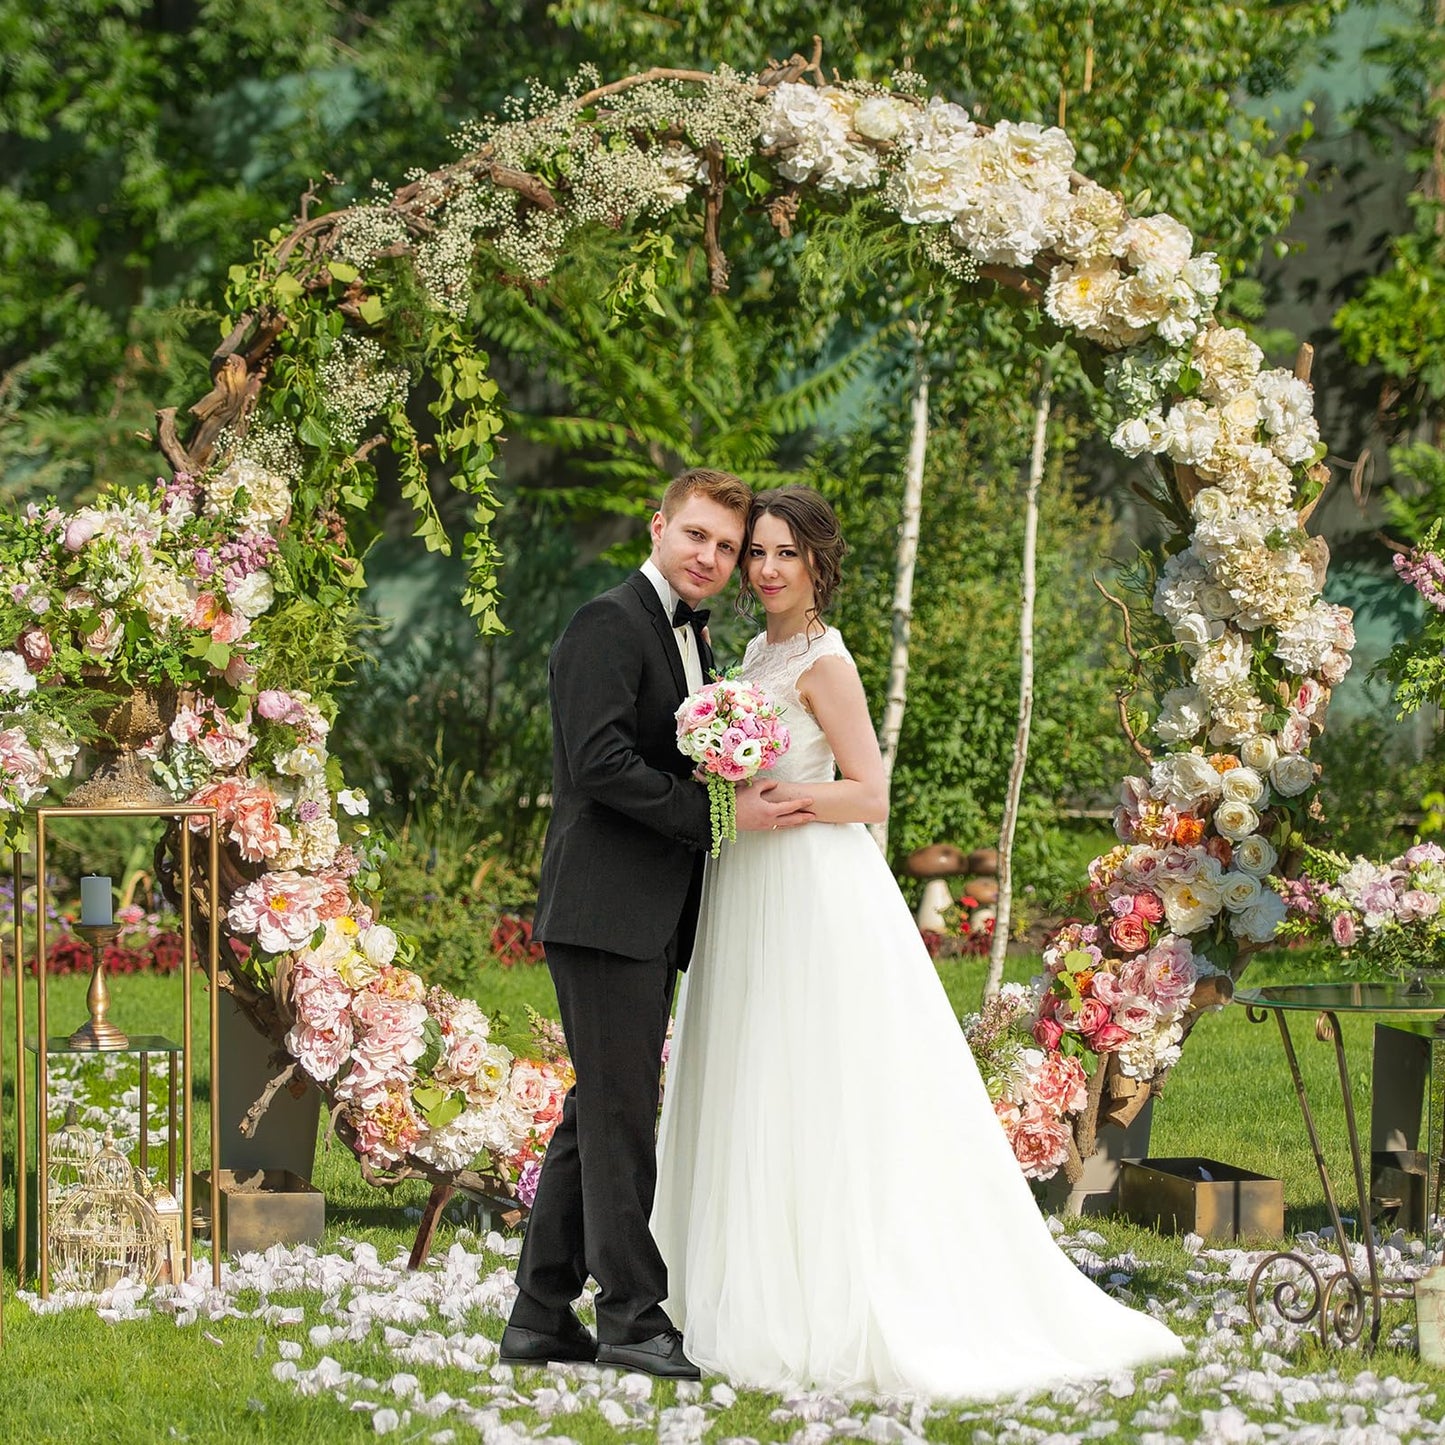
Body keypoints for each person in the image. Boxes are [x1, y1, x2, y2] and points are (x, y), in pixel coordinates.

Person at [651, 485, 1186, 1399]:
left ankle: (832, 1286)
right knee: (750, 1067)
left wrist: (781, 802)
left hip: (808, 880)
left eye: (785, 553)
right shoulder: (751, 649)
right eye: (758, 554)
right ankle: (734, 1277)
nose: (767, 568)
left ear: (819, 563)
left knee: (813, 1073)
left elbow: (871, 794)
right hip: (745, 880)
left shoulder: (824, 659)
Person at [501, 468, 813, 1380]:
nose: (713, 558)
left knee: (593, 1113)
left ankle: (537, 1314)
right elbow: (596, 763)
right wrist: (716, 816)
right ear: (659, 527)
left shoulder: (691, 638)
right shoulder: (607, 623)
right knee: (621, 1120)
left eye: (727, 545)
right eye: (698, 538)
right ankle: (633, 1316)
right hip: (603, 911)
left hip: (645, 915)